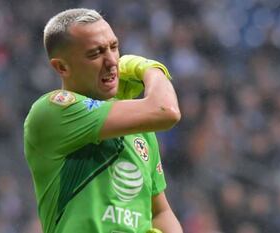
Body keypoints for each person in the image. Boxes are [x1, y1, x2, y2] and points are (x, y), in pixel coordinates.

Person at [24, 8, 182, 233]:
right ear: (61, 67)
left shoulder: (141, 130)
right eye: (95, 53)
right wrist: (151, 69)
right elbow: (167, 111)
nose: (111, 61)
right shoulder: (52, 111)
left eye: (114, 47)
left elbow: (160, 211)